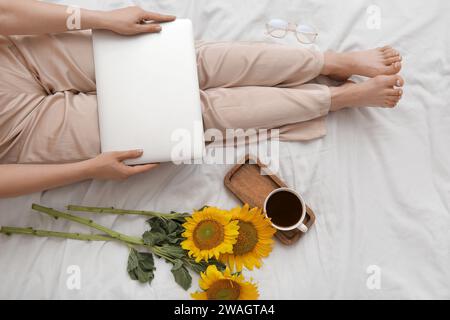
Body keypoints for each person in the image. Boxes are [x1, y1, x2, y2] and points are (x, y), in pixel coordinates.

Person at [0, 0, 404, 198]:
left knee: (186, 63)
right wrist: (86, 169)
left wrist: (98, 19)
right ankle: (339, 99)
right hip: (20, 132)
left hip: (19, 54)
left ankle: (331, 61)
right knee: (193, 119)